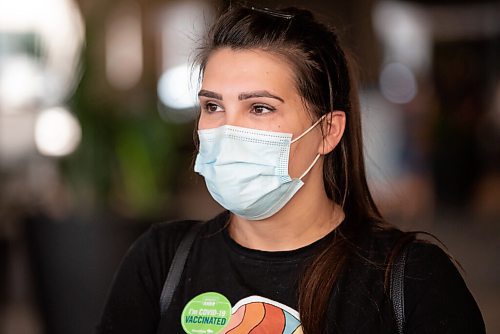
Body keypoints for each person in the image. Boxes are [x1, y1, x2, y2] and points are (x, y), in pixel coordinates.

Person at [96, 5, 485, 334]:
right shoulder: (162, 261)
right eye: (213, 107)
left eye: (260, 108)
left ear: (328, 131)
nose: (228, 130)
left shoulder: (411, 280)